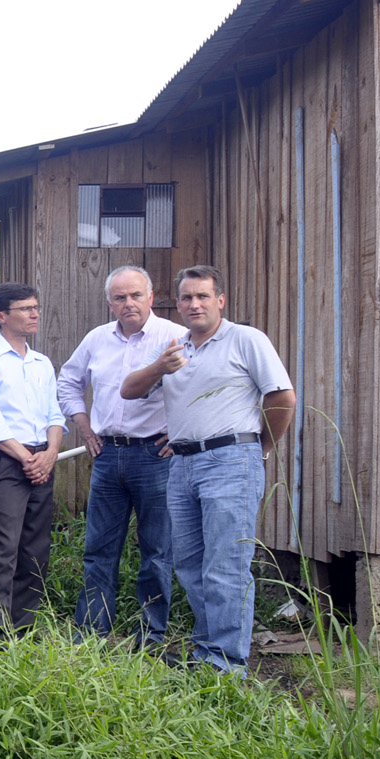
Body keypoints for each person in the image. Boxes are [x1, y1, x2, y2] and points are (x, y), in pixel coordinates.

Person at [120, 264, 295, 673]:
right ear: (178, 304)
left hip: (231, 460)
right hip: (181, 465)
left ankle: (226, 665)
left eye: (202, 296)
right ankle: (208, 652)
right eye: (186, 297)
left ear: (220, 300)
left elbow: (282, 398)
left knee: (226, 565)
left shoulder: (246, 339)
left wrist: (261, 447)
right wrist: (160, 368)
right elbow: (129, 390)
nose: (194, 304)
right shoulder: (175, 348)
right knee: (191, 566)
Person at [57, 266, 188, 648]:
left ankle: (151, 635)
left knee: (157, 551)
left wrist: (179, 433)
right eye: (119, 297)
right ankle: (92, 635)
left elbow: (200, 387)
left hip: (156, 456)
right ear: (109, 302)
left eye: (135, 295)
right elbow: (68, 381)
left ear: (151, 296)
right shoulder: (97, 339)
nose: (127, 303)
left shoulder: (175, 337)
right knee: (99, 549)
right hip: (109, 455)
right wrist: (82, 423)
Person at [0, 283, 66, 636]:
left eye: (36, 307)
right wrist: (27, 458)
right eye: (25, 308)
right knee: (6, 549)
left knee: (36, 548)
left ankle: (24, 627)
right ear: (2, 317)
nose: (34, 314)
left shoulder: (41, 364)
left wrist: (50, 454)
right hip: (7, 462)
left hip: (42, 460)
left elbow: (55, 414)